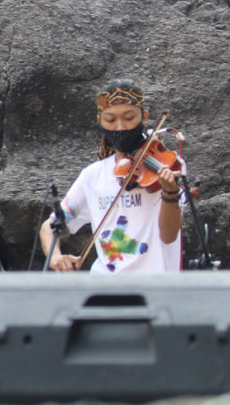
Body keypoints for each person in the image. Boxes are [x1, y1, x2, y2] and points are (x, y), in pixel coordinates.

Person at [39, 79, 184, 273]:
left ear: (144, 117)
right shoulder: (92, 176)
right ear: (100, 121)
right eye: (111, 120)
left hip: (156, 286)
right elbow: (50, 226)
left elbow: (169, 236)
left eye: (129, 117)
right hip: (105, 288)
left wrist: (170, 194)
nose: (120, 127)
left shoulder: (167, 166)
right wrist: (54, 255)